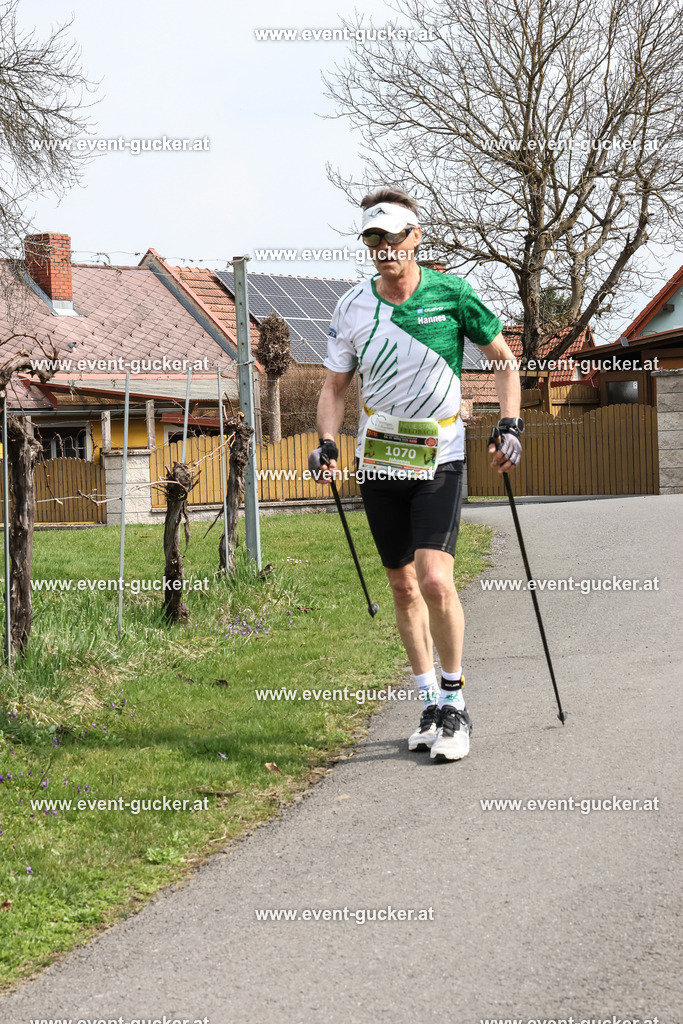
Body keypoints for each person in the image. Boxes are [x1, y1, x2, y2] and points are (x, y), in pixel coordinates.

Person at [310, 188, 523, 762]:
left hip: (440, 454)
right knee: (403, 586)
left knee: (434, 579)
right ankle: (429, 703)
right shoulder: (353, 306)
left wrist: (510, 424)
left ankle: (455, 702)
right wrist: (327, 441)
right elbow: (333, 388)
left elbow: (504, 362)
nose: (384, 249)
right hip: (380, 458)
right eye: (372, 239)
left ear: (416, 237)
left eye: (393, 237)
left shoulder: (452, 294)